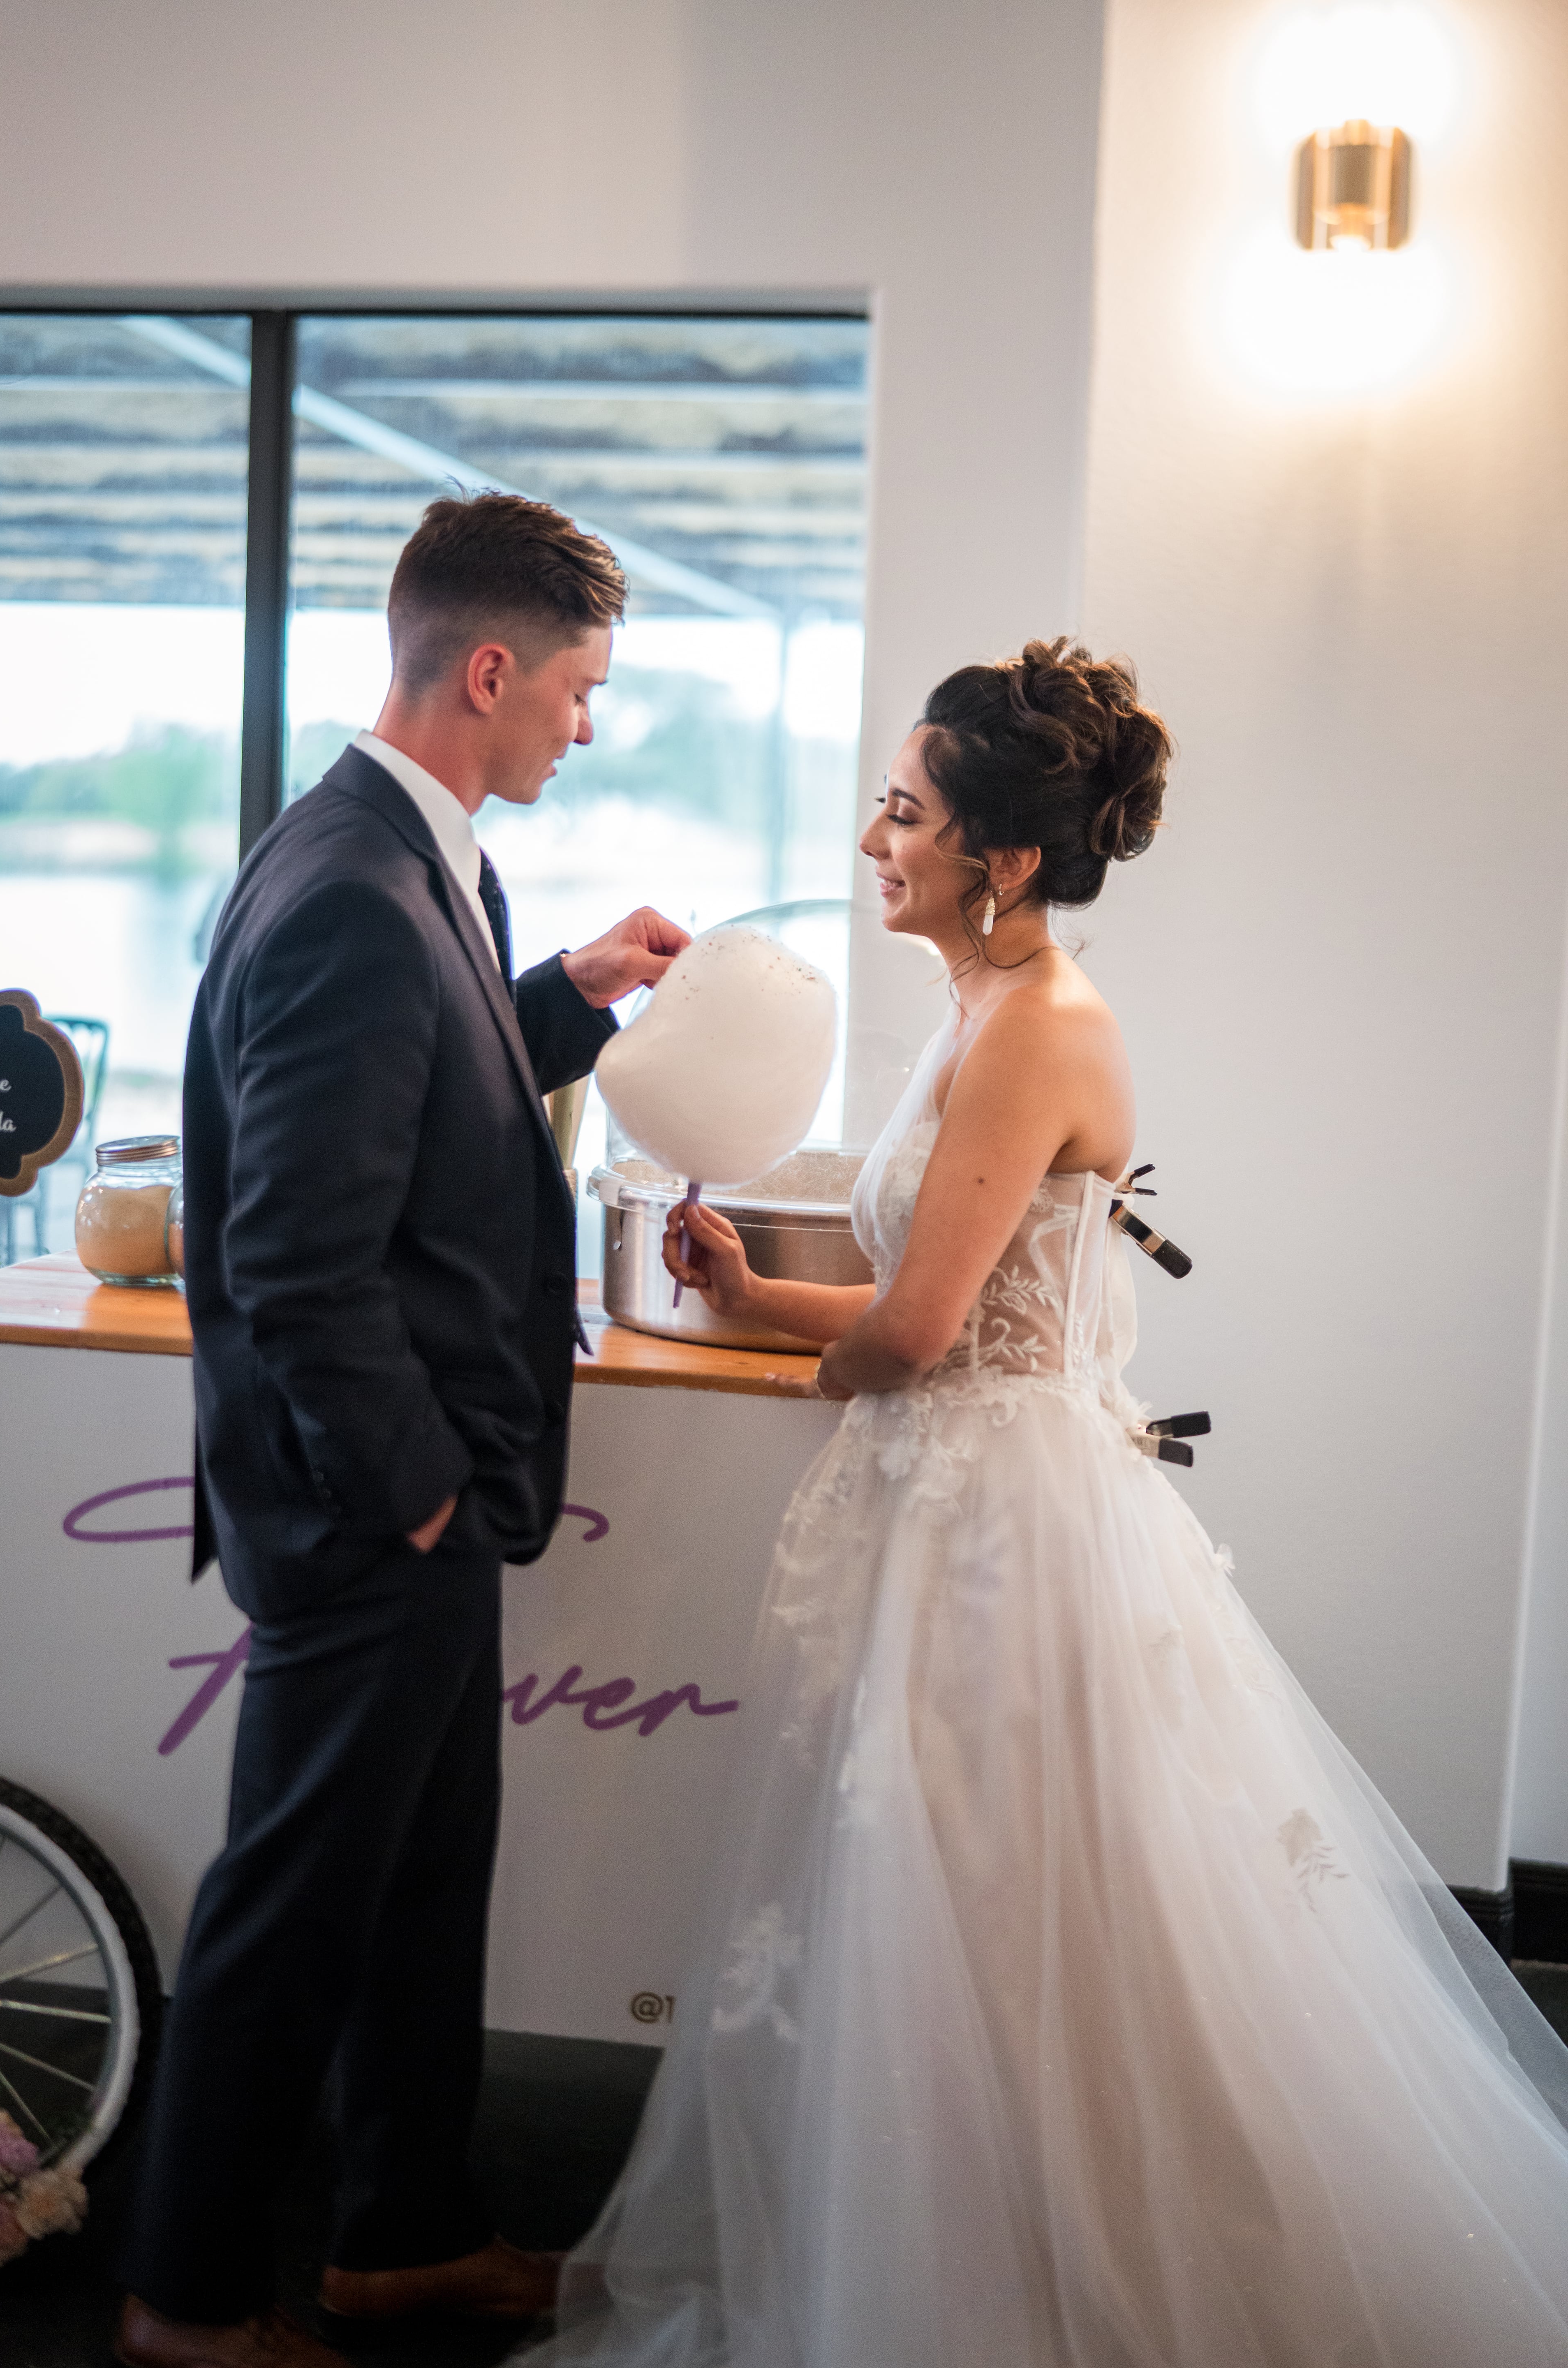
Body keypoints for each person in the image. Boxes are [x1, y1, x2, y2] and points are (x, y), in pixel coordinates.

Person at [540, 638, 1568, 2367]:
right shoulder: (982, 1007)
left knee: (1008, 1927)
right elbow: (935, 1291)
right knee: (947, 1923)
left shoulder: (1036, 1031)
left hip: (1001, 1540)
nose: (878, 837)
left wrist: (826, 1370)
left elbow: (923, 1335)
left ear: (1002, 858)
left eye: (905, 812)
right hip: (967, 1500)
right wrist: (744, 1291)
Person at [116, 493, 690, 2368]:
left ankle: (404, 2240)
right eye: (582, 694)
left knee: (428, 1892)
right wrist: (426, 1499)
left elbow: (424, 1095)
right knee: (291, 1920)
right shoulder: (358, 889)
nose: (584, 732)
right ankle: (191, 2308)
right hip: (378, 1516)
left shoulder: (400, 852)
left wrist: (571, 1004)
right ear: (493, 669)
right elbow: (288, 1254)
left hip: (422, 1510)